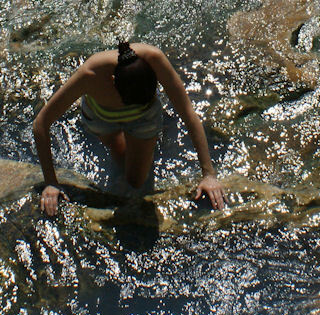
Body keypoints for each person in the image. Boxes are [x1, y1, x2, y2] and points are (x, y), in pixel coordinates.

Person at [32, 41, 225, 217]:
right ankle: (134, 147)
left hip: (144, 118)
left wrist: (209, 175)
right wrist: (51, 182)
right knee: (119, 157)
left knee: (135, 181)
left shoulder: (155, 59)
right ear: (113, 82)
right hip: (101, 117)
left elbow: (188, 113)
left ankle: (143, 146)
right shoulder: (89, 75)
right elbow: (41, 124)